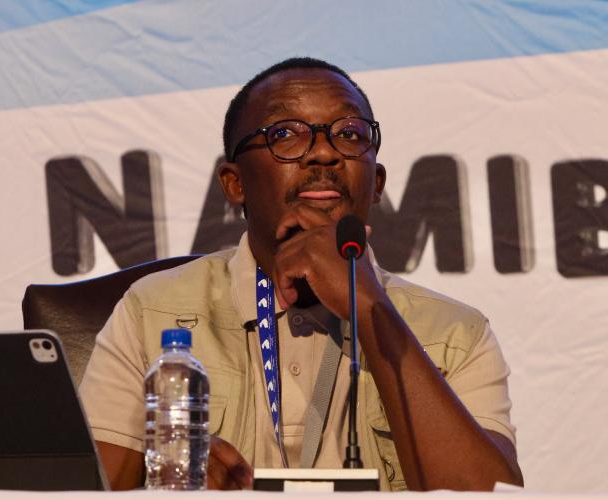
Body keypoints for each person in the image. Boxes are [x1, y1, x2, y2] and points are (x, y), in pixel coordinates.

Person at [79, 57, 523, 491]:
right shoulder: (153, 312)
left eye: (350, 134)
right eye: (285, 135)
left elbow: (487, 494)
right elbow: (79, 495)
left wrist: (367, 304)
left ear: (378, 183)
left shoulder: (455, 334)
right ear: (235, 184)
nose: (325, 152)